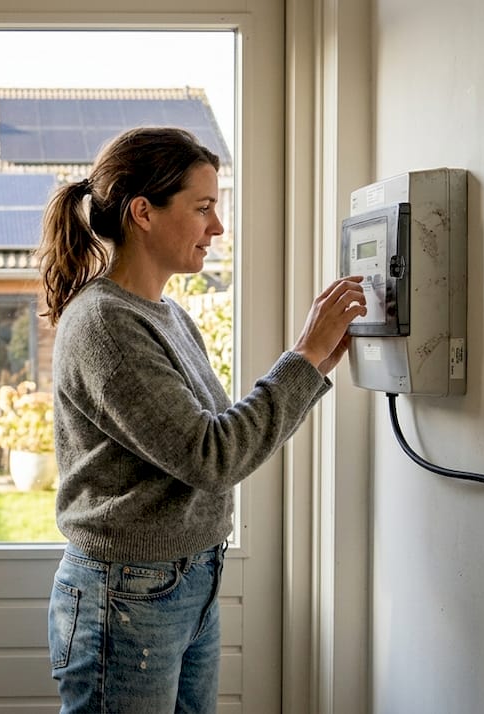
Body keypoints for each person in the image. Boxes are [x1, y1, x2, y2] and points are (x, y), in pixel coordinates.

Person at [39, 126, 366, 714]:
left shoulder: (166, 315)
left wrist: (311, 366)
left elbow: (219, 440)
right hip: (128, 595)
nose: (217, 227)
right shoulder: (105, 323)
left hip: (186, 582)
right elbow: (212, 456)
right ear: (143, 212)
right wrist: (303, 358)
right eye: (203, 207)